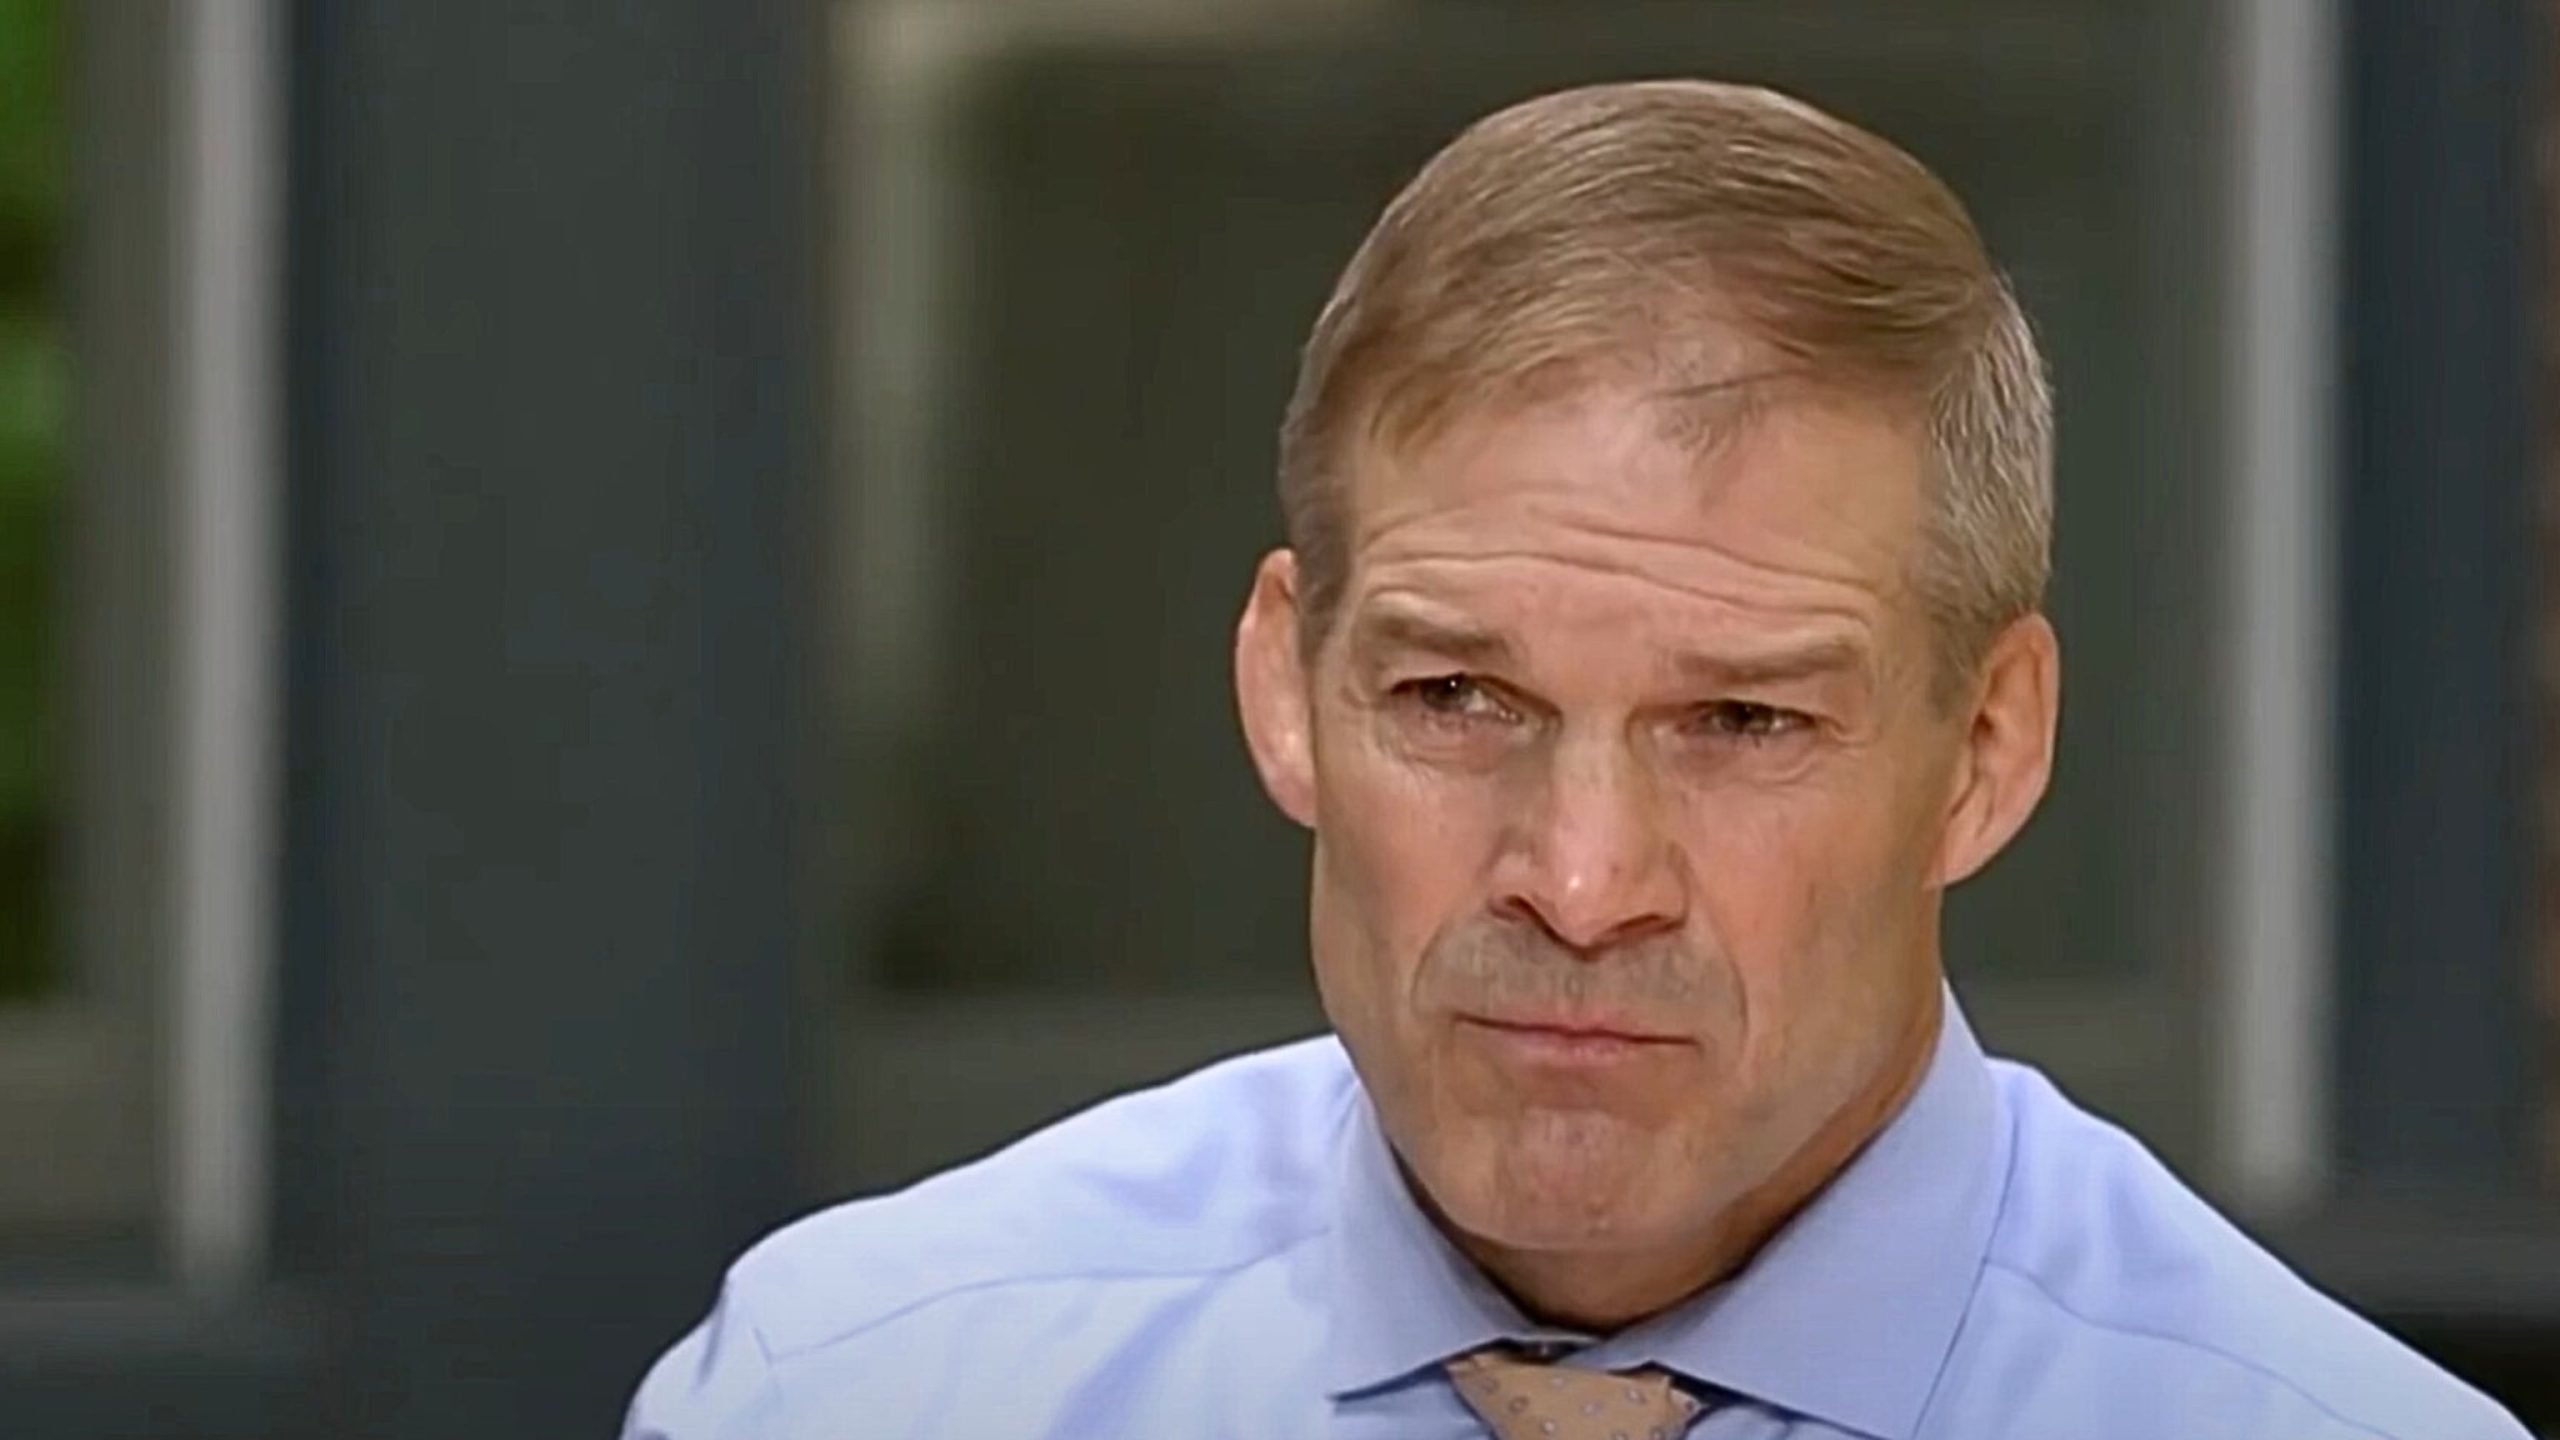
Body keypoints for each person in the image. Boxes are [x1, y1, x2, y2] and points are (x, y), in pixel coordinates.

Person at [623, 79, 2528, 1439]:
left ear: (1986, 755)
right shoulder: (857, 1386)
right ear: (1286, 688)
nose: (1584, 878)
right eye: (1458, 701)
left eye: (1745, 722)